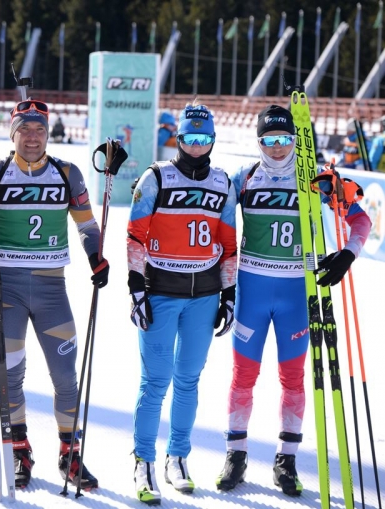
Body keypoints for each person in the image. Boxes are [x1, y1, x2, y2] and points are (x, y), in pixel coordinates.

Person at [0, 98, 109, 491]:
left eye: (40, 129)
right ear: (13, 134)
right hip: (6, 289)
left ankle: (70, 454)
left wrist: (96, 258)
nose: (33, 137)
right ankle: (20, 450)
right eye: (25, 129)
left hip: (52, 289)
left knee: (65, 375)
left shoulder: (67, 173)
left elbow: (87, 225)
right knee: (10, 375)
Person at [216, 105, 371, 496]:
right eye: (269, 140)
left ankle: (286, 460)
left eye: (285, 139)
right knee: (243, 376)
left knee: (294, 379)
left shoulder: (316, 178)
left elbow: (361, 219)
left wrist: (347, 255)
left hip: (296, 296)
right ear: (258, 141)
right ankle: (236, 454)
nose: (278, 147)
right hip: (251, 292)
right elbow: (212, 217)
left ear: (295, 140)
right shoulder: (244, 177)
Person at [126, 103, 238, 505]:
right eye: (189, 138)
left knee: (188, 380)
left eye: (204, 138)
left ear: (213, 140)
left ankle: (178, 457)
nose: (196, 146)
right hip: (161, 292)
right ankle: (143, 461)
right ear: (178, 138)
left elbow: (228, 245)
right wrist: (136, 288)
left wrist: (229, 294)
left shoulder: (223, 182)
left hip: (204, 296)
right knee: (155, 381)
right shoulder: (156, 177)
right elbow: (135, 235)